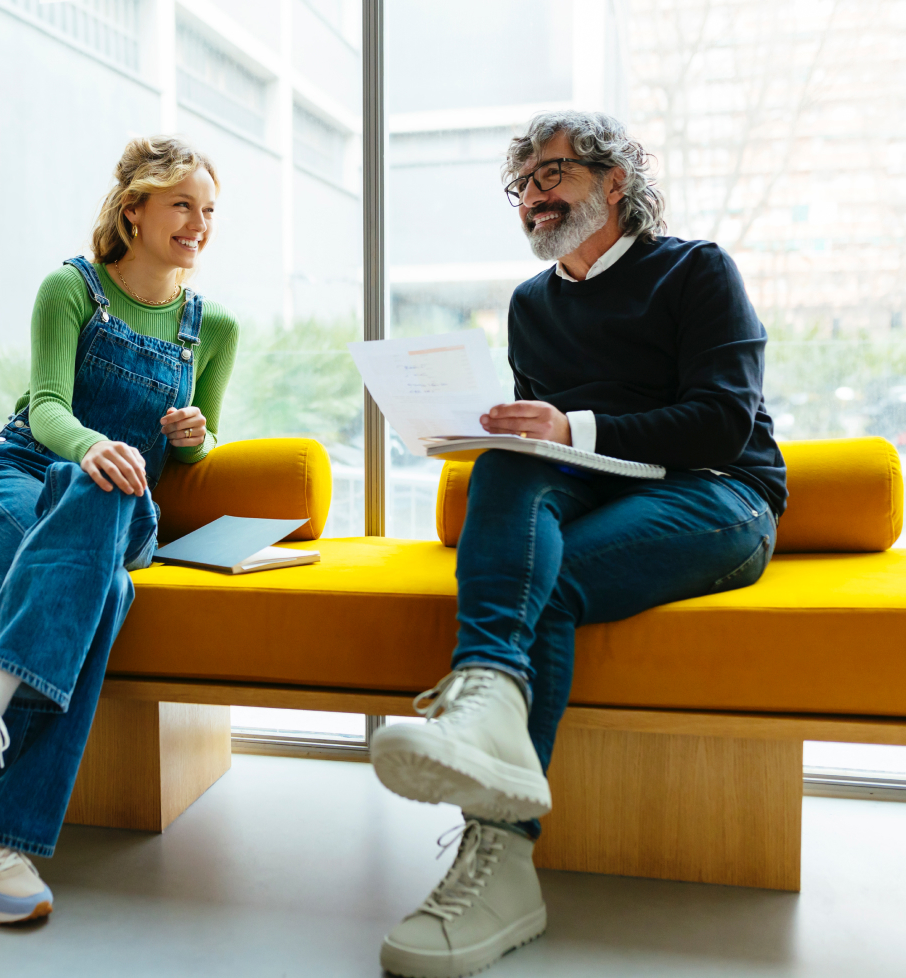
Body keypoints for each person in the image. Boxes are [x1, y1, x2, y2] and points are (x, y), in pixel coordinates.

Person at [369, 110, 786, 978]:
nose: (533, 196)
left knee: (540, 577)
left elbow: (721, 423)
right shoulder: (531, 304)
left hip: (719, 495)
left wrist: (571, 426)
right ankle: (487, 704)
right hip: (602, 491)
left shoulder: (695, 271)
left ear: (616, 181)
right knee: (508, 475)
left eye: (551, 174)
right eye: (521, 184)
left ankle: (500, 857)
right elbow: (549, 454)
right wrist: (507, 433)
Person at [0, 136, 238, 925]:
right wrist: (95, 447)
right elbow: (48, 406)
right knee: (104, 589)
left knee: (111, 487)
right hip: (12, 485)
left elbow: (199, 451)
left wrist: (193, 437)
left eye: (209, 210)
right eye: (182, 204)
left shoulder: (212, 326)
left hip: (119, 507)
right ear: (135, 211)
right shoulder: (70, 288)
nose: (199, 224)